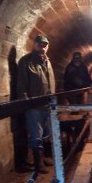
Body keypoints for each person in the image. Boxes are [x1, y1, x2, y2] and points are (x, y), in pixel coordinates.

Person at [17, 35, 55, 174]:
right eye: (40, 44)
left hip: (47, 103)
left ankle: (44, 157)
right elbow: (21, 85)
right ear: (35, 44)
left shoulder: (47, 61)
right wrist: (27, 103)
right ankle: (38, 163)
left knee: (46, 132)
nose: (43, 47)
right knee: (36, 134)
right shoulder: (26, 61)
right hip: (34, 105)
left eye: (45, 45)